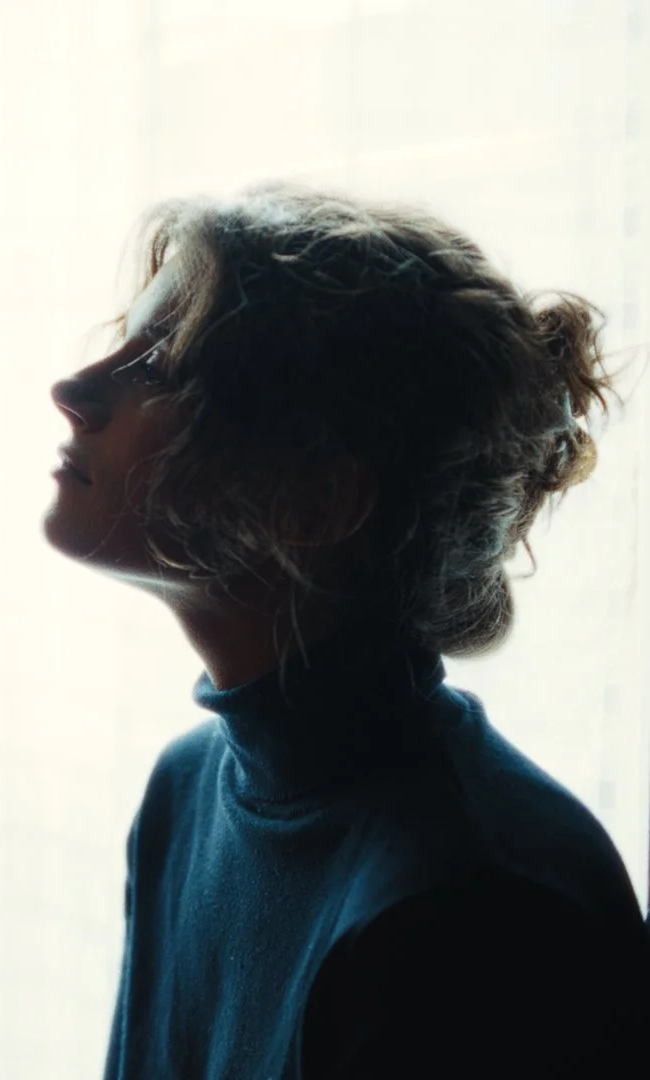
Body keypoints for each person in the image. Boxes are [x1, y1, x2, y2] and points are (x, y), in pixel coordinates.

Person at [45, 185, 650, 1079]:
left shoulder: (479, 908)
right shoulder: (186, 794)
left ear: (320, 497)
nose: (74, 388)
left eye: (161, 364)